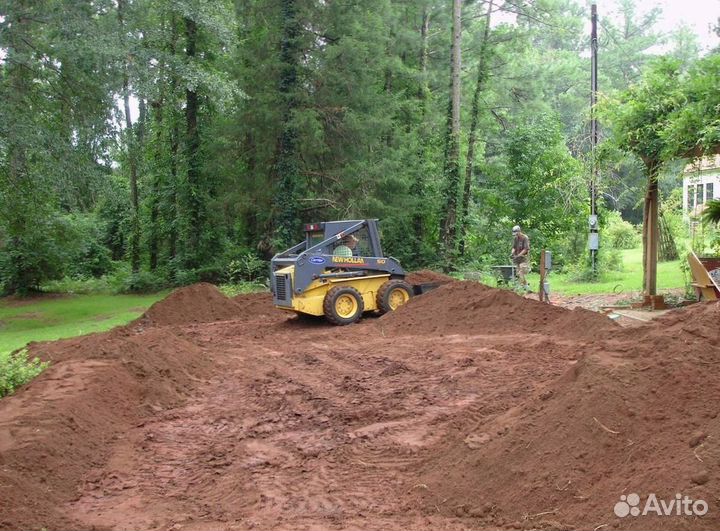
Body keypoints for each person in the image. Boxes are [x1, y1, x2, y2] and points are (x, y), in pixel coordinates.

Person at [510, 225, 531, 291]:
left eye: (516, 233)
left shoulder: (525, 238)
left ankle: (526, 287)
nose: (516, 235)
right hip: (517, 259)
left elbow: (526, 249)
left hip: (523, 258)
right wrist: (512, 253)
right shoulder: (516, 238)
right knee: (518, 274)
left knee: (521, 272)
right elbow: (514, 247)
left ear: (519, 231)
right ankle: (524, 286)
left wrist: (519, 254)